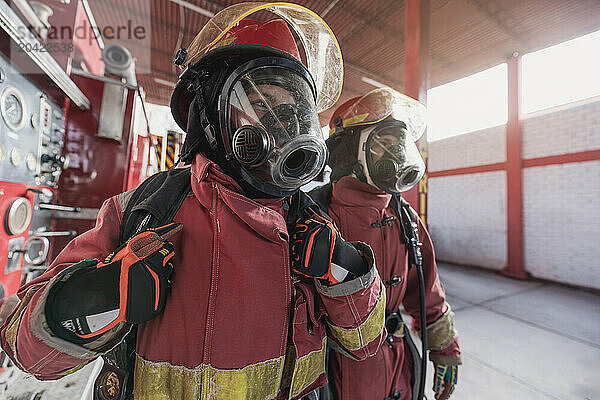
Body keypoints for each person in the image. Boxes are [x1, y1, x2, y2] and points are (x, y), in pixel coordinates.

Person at [0, 4, 386, 399]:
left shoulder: (311, 223)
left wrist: (349, 273)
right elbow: (28, 351)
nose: (282, 126)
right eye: (262, 103)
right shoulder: (143, 211)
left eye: (291, 111)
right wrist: (101, 297)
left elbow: (366, 344)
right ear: (211, 116)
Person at [309, 88, 461, 400]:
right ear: (352, 151)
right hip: (337, 374)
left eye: (400, 145)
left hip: (400, 367)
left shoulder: (405, 217)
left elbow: (427, 291)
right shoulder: (314, 219)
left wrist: (446, 348)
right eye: (384, 143)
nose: (398, 155)